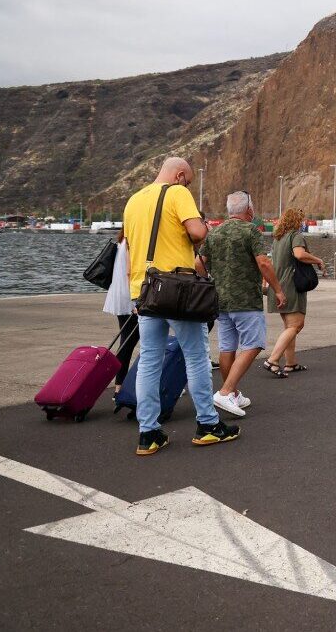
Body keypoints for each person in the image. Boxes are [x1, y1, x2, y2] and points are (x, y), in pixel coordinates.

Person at [122, 156, 239, 456]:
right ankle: (208, 425)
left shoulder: (133, 200)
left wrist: (135, 294)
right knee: (196, 356)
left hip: (145, 290)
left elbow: (130, 251)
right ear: (179, 175)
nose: (187, 185)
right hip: (178, 290)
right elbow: (198, 233)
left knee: (149, 360)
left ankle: (148, 433)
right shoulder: (176, 193)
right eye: (188, 180)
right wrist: (204, 230)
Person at [197, 191, 286, 414]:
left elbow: (198, 263)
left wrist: (209, 281)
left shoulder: (214, 233)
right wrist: (278, 290)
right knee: (254, 344)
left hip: (221, 300)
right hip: (246, 300)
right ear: (249, 210)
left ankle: (233, 394)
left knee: (227, 347)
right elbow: (264, 263)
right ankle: (226, 392)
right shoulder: (250, 231)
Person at [263, 207, 323, 376]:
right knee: (296, 325)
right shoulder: (295, 236)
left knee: (289, 326)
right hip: (291, 286)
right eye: (301, 220)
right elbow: (299, 254)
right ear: (297, 221)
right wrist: (318, 260)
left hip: (278, 286)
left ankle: (290, 363)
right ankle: (273, 360)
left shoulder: (278, 238)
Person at [103, 230, 139, 401]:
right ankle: (120, 386)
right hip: (130, 297)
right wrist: (136, 300)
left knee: (126, 340)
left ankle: (120, 385)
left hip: (118, 295)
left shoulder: (122, 240)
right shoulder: (133, 241)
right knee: (132, 342)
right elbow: (130, 271)